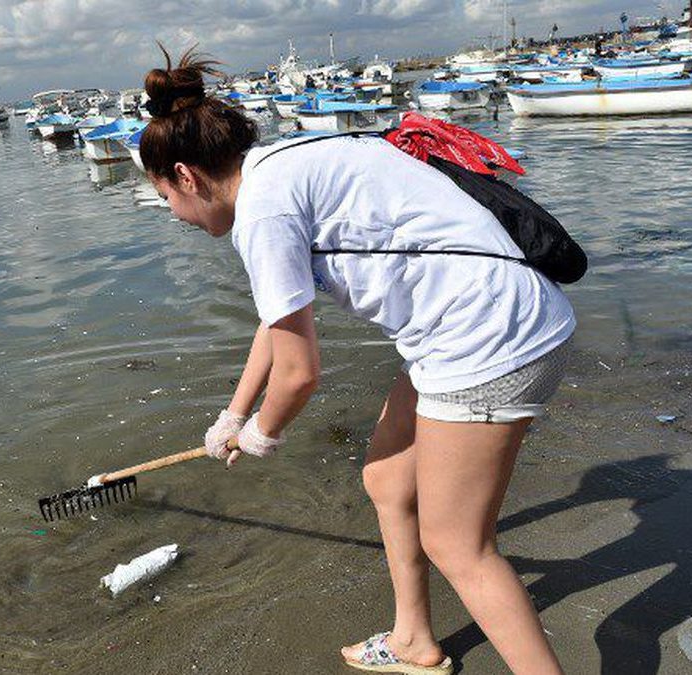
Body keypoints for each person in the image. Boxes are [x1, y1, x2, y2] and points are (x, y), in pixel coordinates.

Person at [140, 47, 574, 675]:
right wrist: (233, 414)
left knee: (458, 545)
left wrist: (264, 433)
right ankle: (412, 641)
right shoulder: (280, 164)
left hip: (488, 340)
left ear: (186, 175)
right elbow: (278, 319)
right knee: (388, 479)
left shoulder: (263, 211)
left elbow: (299, 372)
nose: (177, 217)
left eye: (166, 199)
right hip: (480, 325)